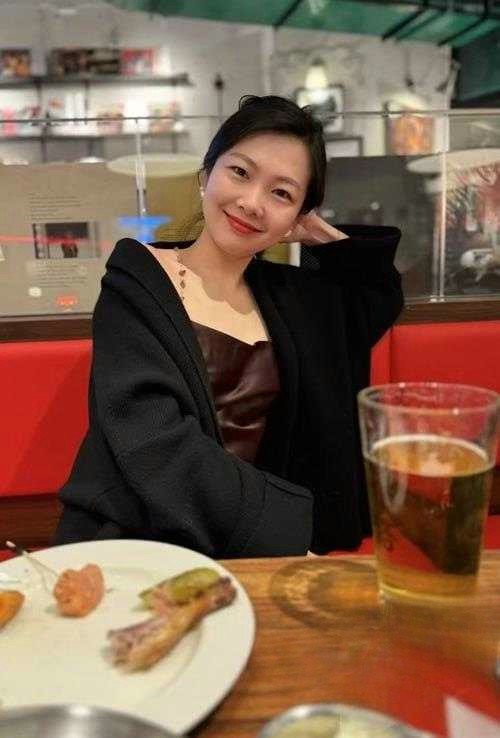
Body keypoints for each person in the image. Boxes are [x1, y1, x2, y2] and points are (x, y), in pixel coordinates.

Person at [55, 95, 403, 557]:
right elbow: (155, 441)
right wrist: (286, 534)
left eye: (281, 193)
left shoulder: (290, 298)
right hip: (140, 541)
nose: (251, 203)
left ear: (298, 216)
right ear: (207, 173)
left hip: (247, 548)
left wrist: (318, 233)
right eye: (240, 172)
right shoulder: (138, 282)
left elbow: (374, 299)